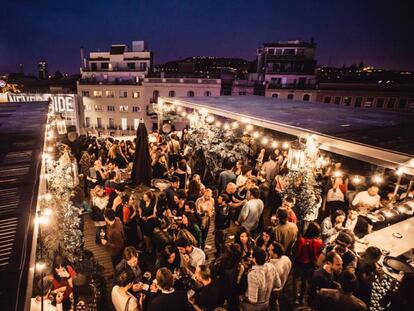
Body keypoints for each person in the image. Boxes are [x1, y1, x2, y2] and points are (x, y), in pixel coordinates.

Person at [292, 222, 323, 305]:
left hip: (299, 262)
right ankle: (302, 298)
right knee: (305, 280)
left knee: (296, 279)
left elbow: (297, 253)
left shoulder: (302, 240)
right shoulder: (319, 242)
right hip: (310, 264)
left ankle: (295, 298)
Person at [267, 242, 292, 310]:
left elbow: (271, 282)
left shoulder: (273, 267)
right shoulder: (286, 259)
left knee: (272, 304)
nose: (267, 249)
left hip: (274, 290)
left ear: (275, 253)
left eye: (269, 249)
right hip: (283, 285)